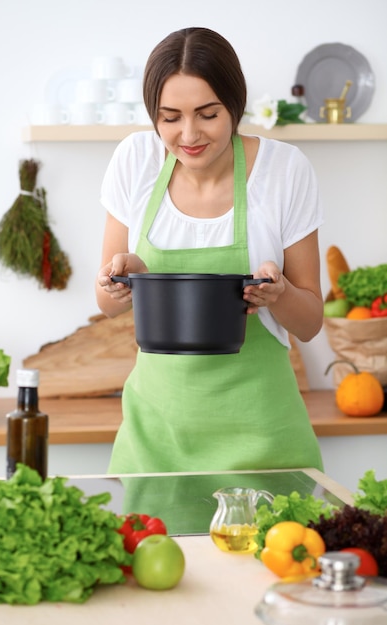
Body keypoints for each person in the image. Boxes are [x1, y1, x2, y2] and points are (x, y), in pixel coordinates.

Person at [96, 27, 324, 474]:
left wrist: (279, 296)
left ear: (234, 105)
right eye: (169, 117)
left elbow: (312, 321)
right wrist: (129, 278)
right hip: (157, 440)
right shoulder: (136, 160)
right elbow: (106, 304)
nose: (189, 134)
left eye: (207, 114)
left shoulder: (284, 170)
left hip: (263, 440)